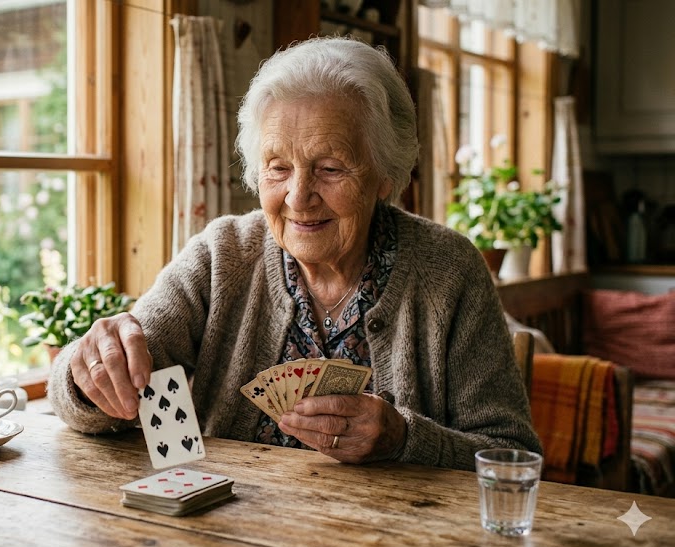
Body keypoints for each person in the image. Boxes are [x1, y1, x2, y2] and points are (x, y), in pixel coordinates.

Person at [47, 36, 542, 470]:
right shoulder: (222, 255)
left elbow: (512, 456)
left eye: (329, 168)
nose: (298, 196)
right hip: (232, 531)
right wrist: (87, 370)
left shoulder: (448, 269)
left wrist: (405, 439)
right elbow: (104, 384)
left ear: (385, 175)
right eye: (278, 168)